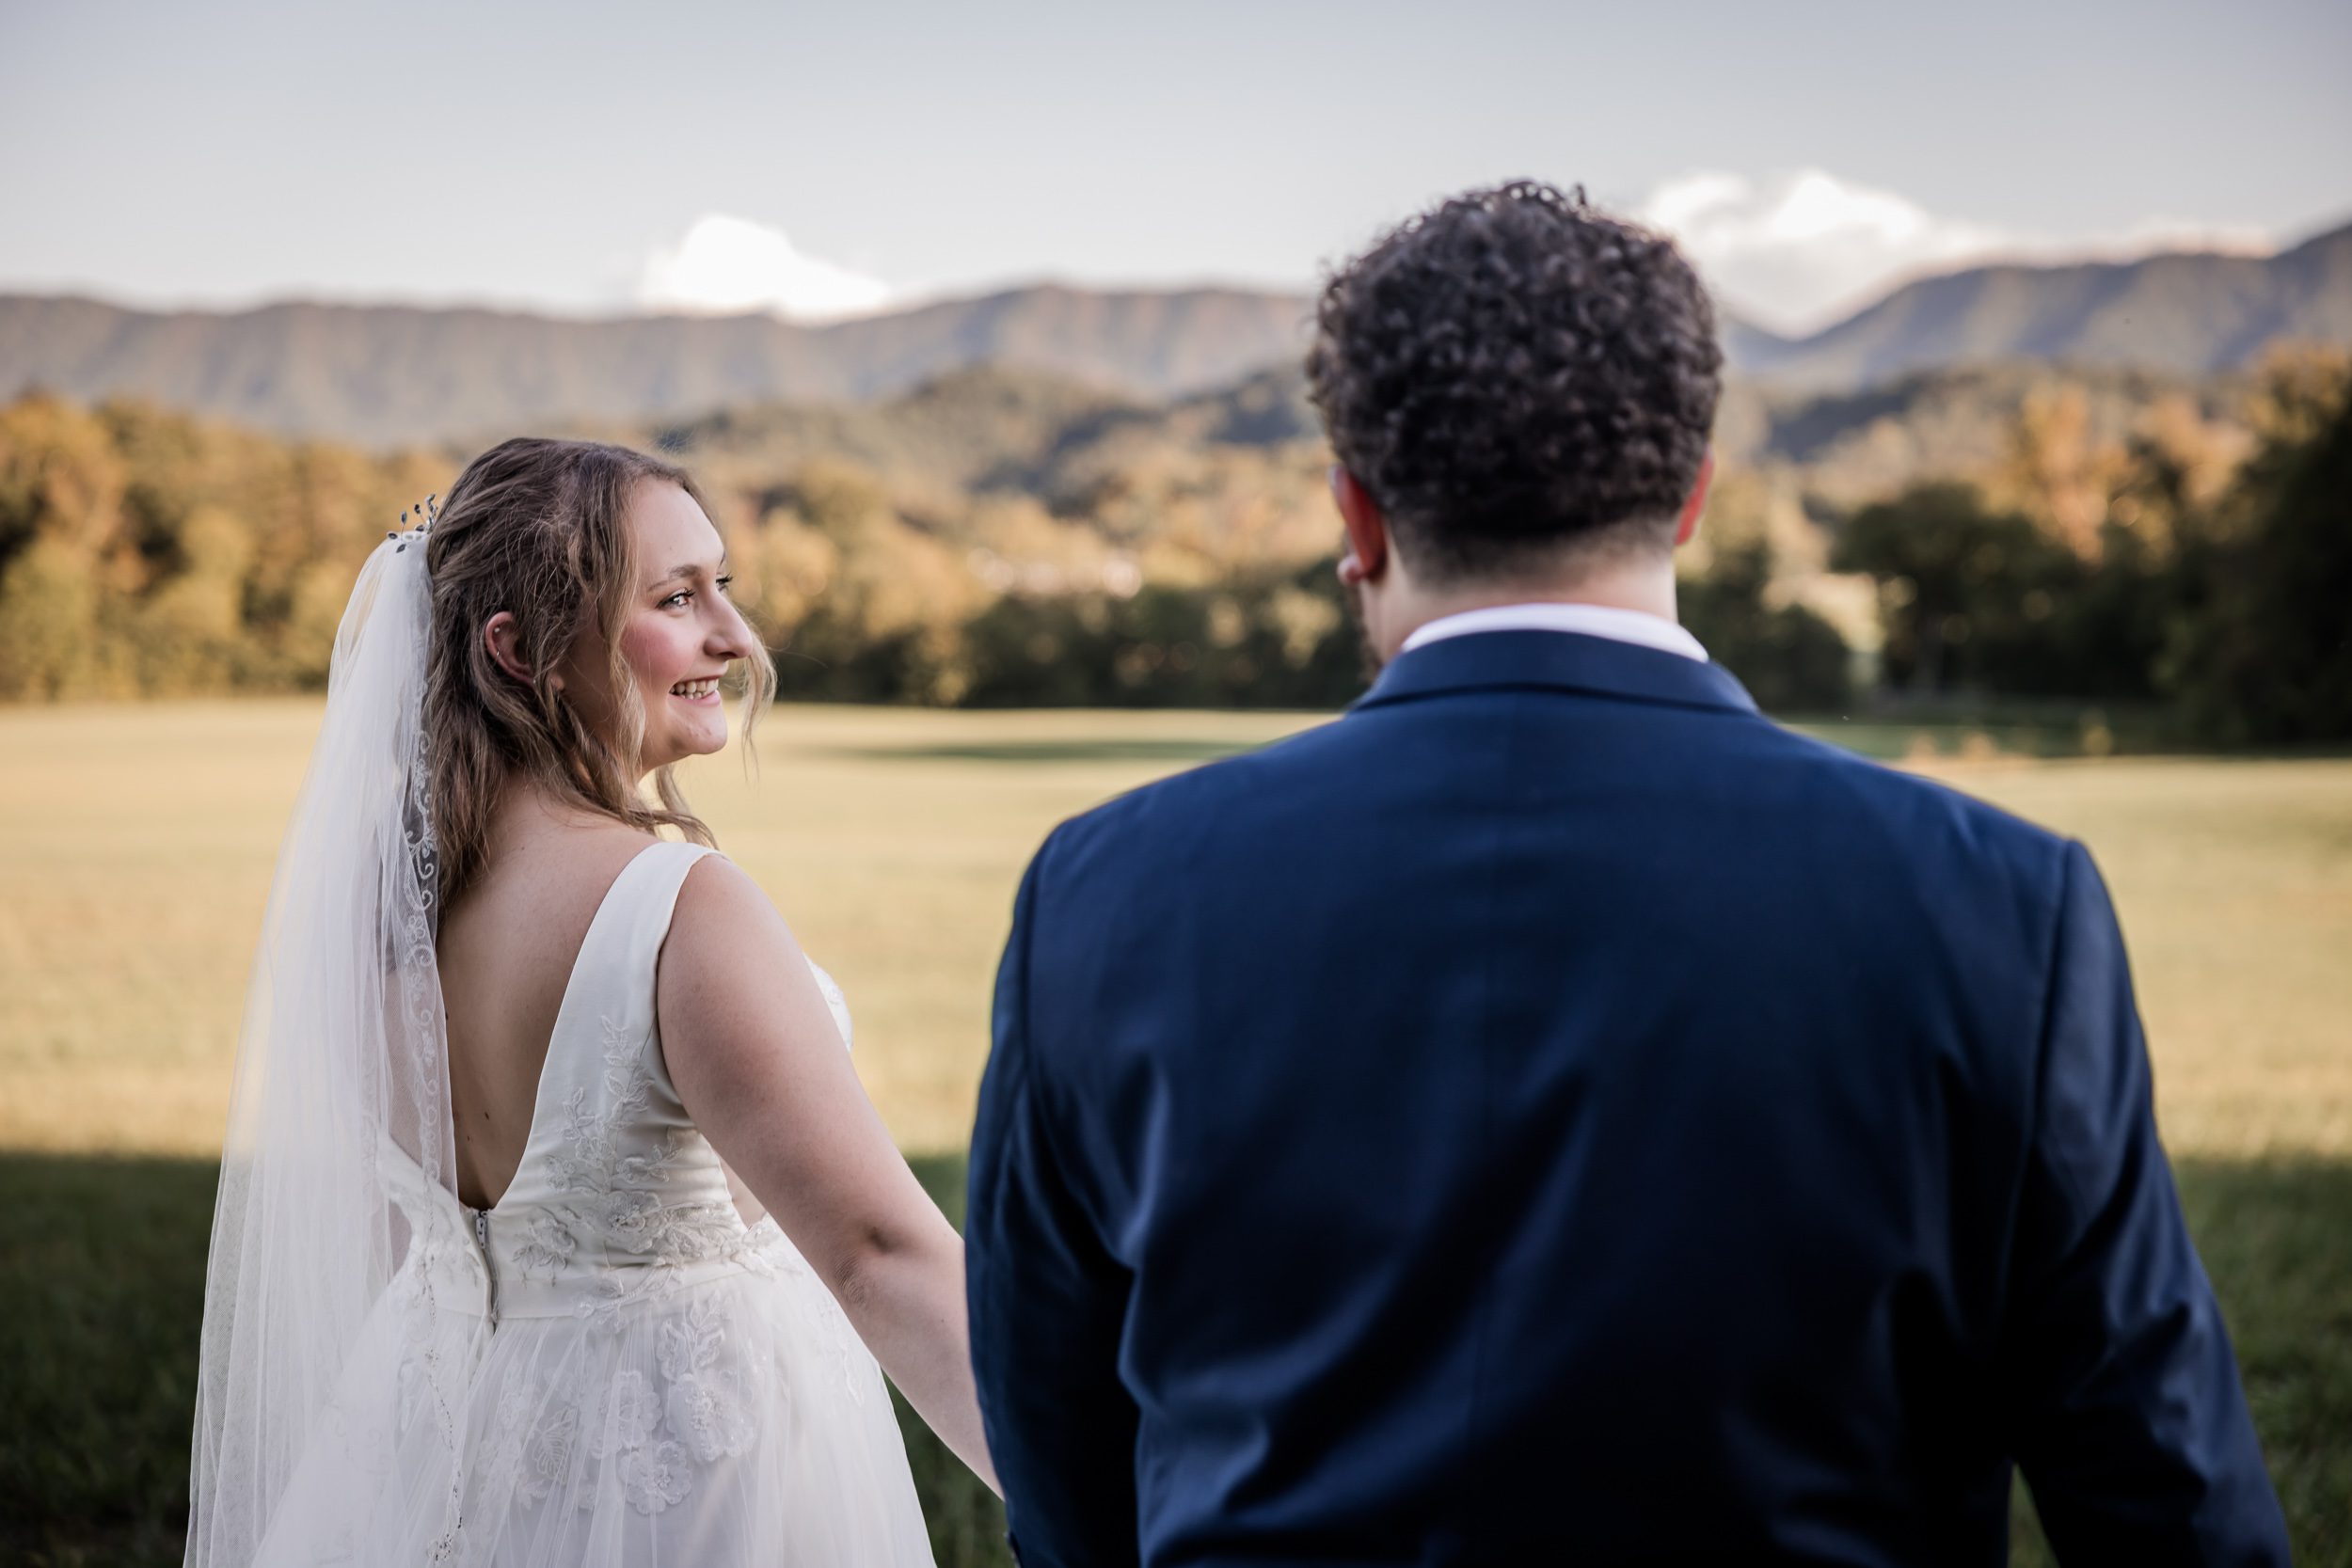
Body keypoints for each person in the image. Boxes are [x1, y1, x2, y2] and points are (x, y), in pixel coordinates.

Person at [964, 182, 2287, 1565]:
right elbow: (2166, 1495)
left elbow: (1061, 1459)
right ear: (1695, 495)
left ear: (1356, 514)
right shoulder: (2006, 906)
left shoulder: (1103, 892)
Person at [184, 437, 993, 1567]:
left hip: (429, 1457)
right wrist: (1109, 1497)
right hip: (693, 1487)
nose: (731, 633)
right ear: (518, 650)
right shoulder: (679, 911)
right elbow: (876, 1252)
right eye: (675, 596)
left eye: (725, 586)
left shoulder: (377, 919)